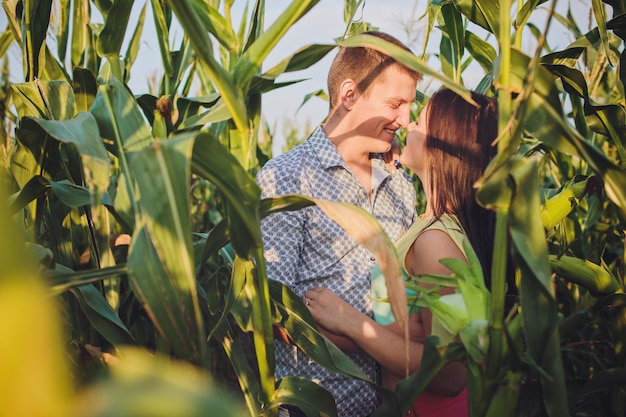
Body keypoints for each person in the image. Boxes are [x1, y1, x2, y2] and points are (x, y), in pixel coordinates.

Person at [304, 88, 501, 417]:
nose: (408, 126)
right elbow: (414, 334)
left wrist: (349, 321)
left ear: (442, 144)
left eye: (420, 123)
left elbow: (451, 372)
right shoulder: (437, 225)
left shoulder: (435, 242)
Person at [256, 31, 423, 417]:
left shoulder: (400, 182)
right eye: (395, 104)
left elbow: (412, 306)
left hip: (392, 404)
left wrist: (354, 326)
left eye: (410, 106)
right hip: (316, 406)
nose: (404, 119)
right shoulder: (286, 178)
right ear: (349, 95)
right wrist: (381, 339)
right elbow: (279, 319)